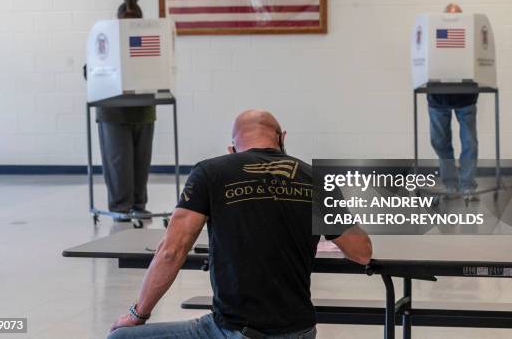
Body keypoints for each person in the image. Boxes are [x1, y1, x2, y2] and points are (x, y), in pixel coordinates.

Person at [108, 109, 373, 338]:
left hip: (233, 332)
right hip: (300, 332)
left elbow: (171, 252)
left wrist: (137, 314)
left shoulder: (210, 172)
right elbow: (362, 253)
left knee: (121, 337)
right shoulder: (315, 178)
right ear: (282, 138)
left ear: (231, 149)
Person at [97, 0, 155, 220]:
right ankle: (121, 207)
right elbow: (90, 69)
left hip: (143, 110)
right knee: (118, 163)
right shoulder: (105, 41)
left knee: (141, 162)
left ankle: (139, 205)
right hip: (113, 112)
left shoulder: (150, 42)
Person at [428, 3, 478, 197]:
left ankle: (467, 185)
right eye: (450, 17)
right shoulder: (433, 37)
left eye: (458, 17)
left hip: (465, 97)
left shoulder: (470, 38)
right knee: (439, 141)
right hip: (438, 97)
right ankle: (450, 184)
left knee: (469, 143)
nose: (453, 21)